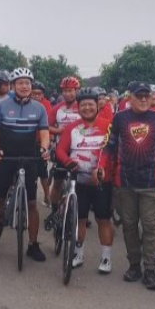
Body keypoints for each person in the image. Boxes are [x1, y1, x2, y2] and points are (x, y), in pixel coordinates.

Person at [97, 80, 155, 291]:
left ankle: (150, 270)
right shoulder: (119, 118)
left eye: (146, 96)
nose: (143, 99)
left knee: (151, 227)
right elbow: (109, 145)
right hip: (124, 183)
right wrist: (101, 166)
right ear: (130, 98)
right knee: (129, 226)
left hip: (151, 183)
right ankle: (134, 266)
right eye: (139, 96)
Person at [0, 68, 50, 261]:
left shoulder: (39, 108)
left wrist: (44, 148)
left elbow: (44, 133)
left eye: (27, 83)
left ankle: (33, 244)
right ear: (13, 86)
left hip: (29, 157)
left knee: (32, 203)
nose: (24, 86)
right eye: (20, 83)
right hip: (5, 157)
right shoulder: (2, 106)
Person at [55, 87, 114, 273]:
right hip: (78, 180)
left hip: (102, 180)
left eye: (91, 104)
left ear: (97, 106)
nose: (87, 108)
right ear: (78, 107)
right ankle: (78, 254)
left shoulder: (108, 125)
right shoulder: (72, 127)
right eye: (83, 105)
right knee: (79, 219)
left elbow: (113, 150)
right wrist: (68, 161)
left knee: (103, 219)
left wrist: (102, 169)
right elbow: (60, 150)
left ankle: (106, 258)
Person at [48, 76, 81, 214]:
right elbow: (47, 126)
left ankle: (79, 213)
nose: (68, 94)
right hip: (62, 148)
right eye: (65, 91)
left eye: (70, 91)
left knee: (81, 184)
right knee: (58, 182)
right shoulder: (57, 108)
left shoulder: (83, 106)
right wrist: (59, 131)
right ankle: (54, 211)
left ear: (76, 90)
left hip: (80, 149)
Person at [31, 81, 53, 205]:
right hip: (26, 142)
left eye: (39, 94)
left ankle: (47, 195)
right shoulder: (26, 103)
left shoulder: (46, 105)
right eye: (34, 93)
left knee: (43, 172)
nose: (36, 96)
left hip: (41, 143)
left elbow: (47, 124)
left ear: (43, 95)